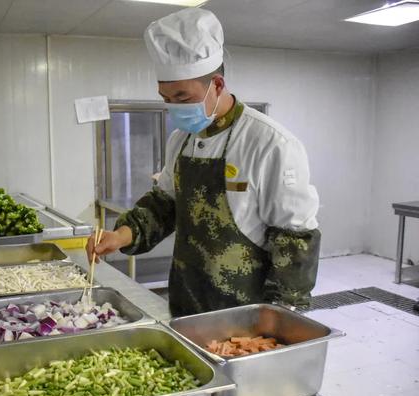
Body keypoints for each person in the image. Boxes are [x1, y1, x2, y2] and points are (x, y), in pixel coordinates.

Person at [86, 8, 321, 317]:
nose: (173, 107)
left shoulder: (270, 143)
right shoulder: (180, 140)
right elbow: (164, 204)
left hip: (247, 315)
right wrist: (120, 236)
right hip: (186, 304)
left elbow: (295, 240)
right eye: (166, 99)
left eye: (182, 98)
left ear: (218, 85)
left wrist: (279, 320)